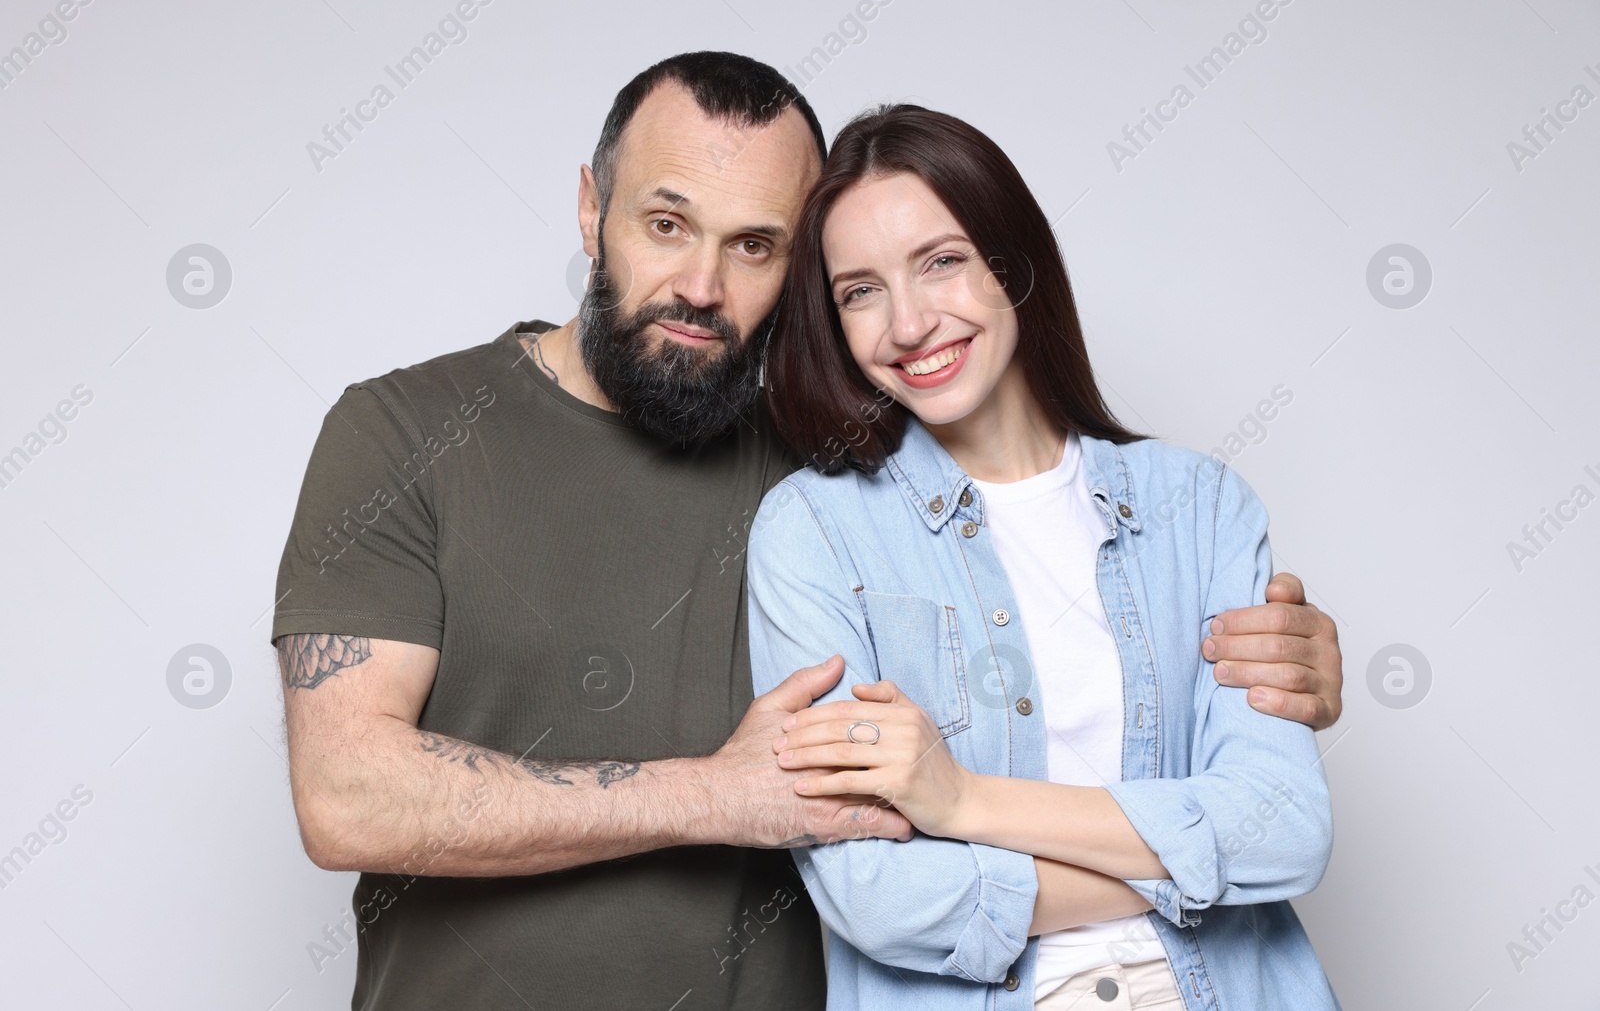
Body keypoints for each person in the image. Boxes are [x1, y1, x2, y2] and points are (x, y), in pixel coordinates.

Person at [271, 53, 1345, 1010]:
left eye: (754, 245)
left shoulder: (835, 462)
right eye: (665, 221)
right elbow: (346, 794)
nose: (700, 283)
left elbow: (1074, 592)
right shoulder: (406, 430)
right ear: (590, 206)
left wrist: (1276, 659)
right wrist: (717, 793)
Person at [748, 104, 1342, 1010]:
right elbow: (874, 897)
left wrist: (959, 802)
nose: (908, 325)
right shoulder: (815, 533)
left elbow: (1287, 828)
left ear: (1012, 264)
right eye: (860, 291)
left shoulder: (1200, 505)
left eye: (940, 261)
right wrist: (1189, 860)